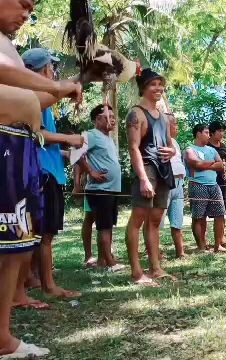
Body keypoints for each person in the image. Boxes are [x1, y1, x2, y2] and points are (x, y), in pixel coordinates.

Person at [0, 0, 82, 355]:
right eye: (23, 3)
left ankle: (2, 336)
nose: (27, 13)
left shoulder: (8, 46)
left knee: (15, 247)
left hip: (18, 150)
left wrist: (70, 85)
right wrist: (57, 86)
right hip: (4, 147)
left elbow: (29, 99)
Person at [23, 48, 85, 299]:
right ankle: (49, 285)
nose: (55, 71)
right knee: (44, 234)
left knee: (37, 233)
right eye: (52, 66)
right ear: (44, 69)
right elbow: (35, 134)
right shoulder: (33, 97)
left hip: (49, 169)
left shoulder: (42, 99)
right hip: (43, 173)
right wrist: (68, 138)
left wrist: (64, 153)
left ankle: (32, 278)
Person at [124, 68, 176, 285]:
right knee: (138, 219)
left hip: (164, 170)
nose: (158, 88)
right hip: (147, 168)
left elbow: (169, 143)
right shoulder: (135, 114)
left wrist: (172, 151)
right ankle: (137, 272)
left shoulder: (163, 116)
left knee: (155, 221)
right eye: (153, 84)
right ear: (143, 88)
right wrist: (144, 178)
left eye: (160, 84)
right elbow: (133, 148)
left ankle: (155, 268)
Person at [78, 104, 123, 271]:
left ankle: (104, 260)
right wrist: (91, 171)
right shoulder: (91, 135)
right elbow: (76, 153)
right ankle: (111, 264)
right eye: (108, 117)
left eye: (113, 117)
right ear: (97, 119)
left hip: (111, 189)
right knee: (103, 226)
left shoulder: (108, 138)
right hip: (100, 189)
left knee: (108, 225)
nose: (112, 120)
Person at [184, 124, 226, 252]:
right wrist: (212, 163)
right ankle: (201, 246)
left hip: (214, 185)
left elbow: (221, 165)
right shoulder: (189, 149)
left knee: (220, 214)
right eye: (207, 132)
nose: (209, 135)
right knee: (199, 217)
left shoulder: (212, 150)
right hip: (197, 185)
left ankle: (217, 245)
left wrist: (204, 165)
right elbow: (195, 164)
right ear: (198, 133)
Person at [164, 113, 185, 258]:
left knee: (177, 221)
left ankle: (180, 252)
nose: (177, 127)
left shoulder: (175, 142)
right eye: (175, 123)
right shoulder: (158, 140)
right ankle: (155, 252)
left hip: (178, 184)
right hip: (165, 185)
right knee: (156, 222)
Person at [208, 121, 226, 211]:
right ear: (212, 132)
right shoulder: (206, 145)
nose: (222, 133)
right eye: (219, 131)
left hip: (221, 180)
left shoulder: (223, 146)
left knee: (221, 210)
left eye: (223, 131)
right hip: (208, 180)